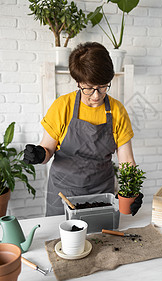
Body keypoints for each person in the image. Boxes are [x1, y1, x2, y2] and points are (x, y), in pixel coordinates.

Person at [23, 42, 142, 216]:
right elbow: (47, 150)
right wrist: (39, 154)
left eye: (102, 87)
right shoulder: (62, 106)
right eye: (89, 88)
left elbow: (127, 161)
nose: (96, 95)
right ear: (78, 82)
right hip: (64, 193)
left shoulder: (117, 111)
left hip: (102, 192)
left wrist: (131, 191)